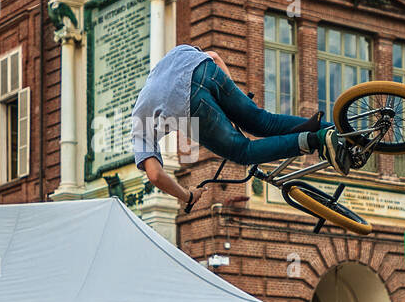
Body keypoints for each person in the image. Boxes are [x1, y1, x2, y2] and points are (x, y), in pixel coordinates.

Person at [131, 44, 346, 214]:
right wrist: (235, 108)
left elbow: (156, 175)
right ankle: (342, 133)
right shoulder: (166, 64)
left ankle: (316, 139)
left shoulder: (138, 123)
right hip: (204, 67)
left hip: (188, 103)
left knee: (243, 151)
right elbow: (214, 56)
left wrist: (187, 196)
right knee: (261, 121)